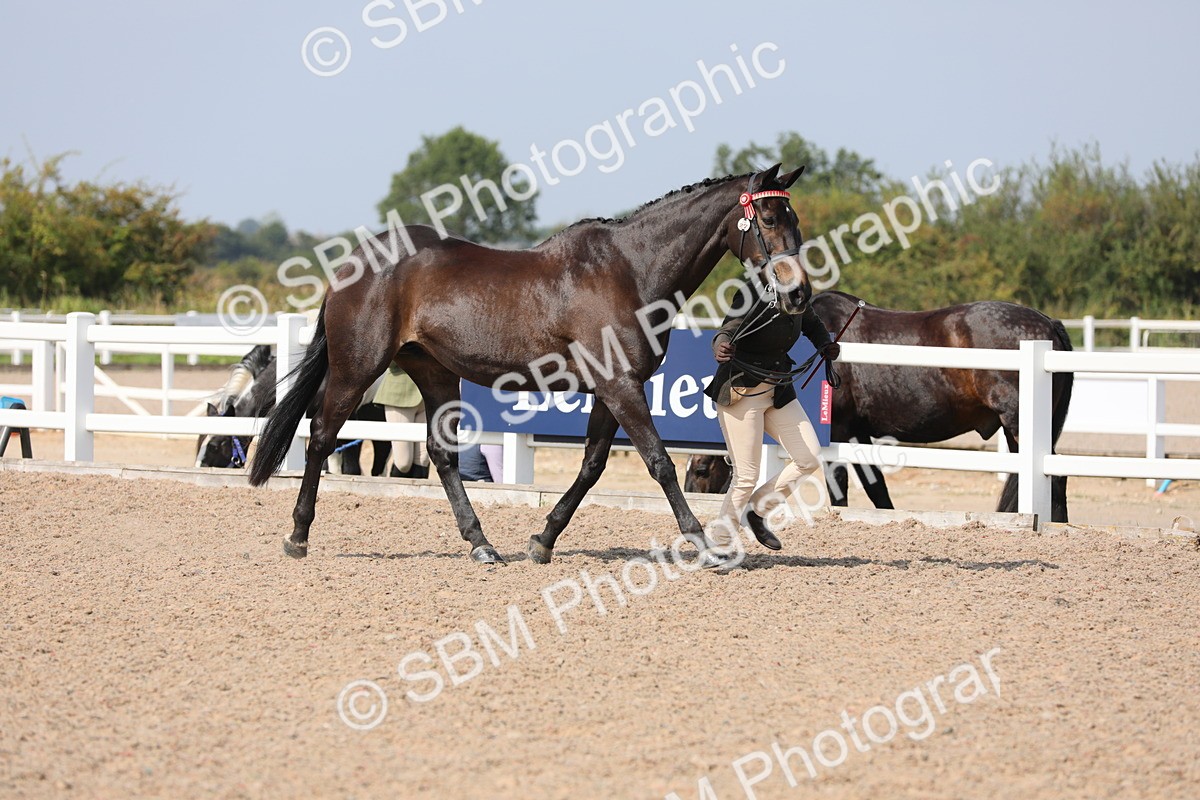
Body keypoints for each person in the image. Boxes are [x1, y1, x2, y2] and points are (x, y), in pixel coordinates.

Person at [703, 292, 840, 551]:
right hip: (741, 390)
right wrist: (720, 345)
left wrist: (825, 344)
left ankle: (756, 511)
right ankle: (718, 545)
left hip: (778, 390)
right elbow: (728, 328)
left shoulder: (798, 294)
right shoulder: (753, 292)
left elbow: (812, 323)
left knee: (808, 458)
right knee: (746, 477)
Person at [373, 367, 430, 478]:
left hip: (428, 396)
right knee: (403, 463)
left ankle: (418, 489)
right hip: (399, 394)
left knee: (423, 459)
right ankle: (394, 489)